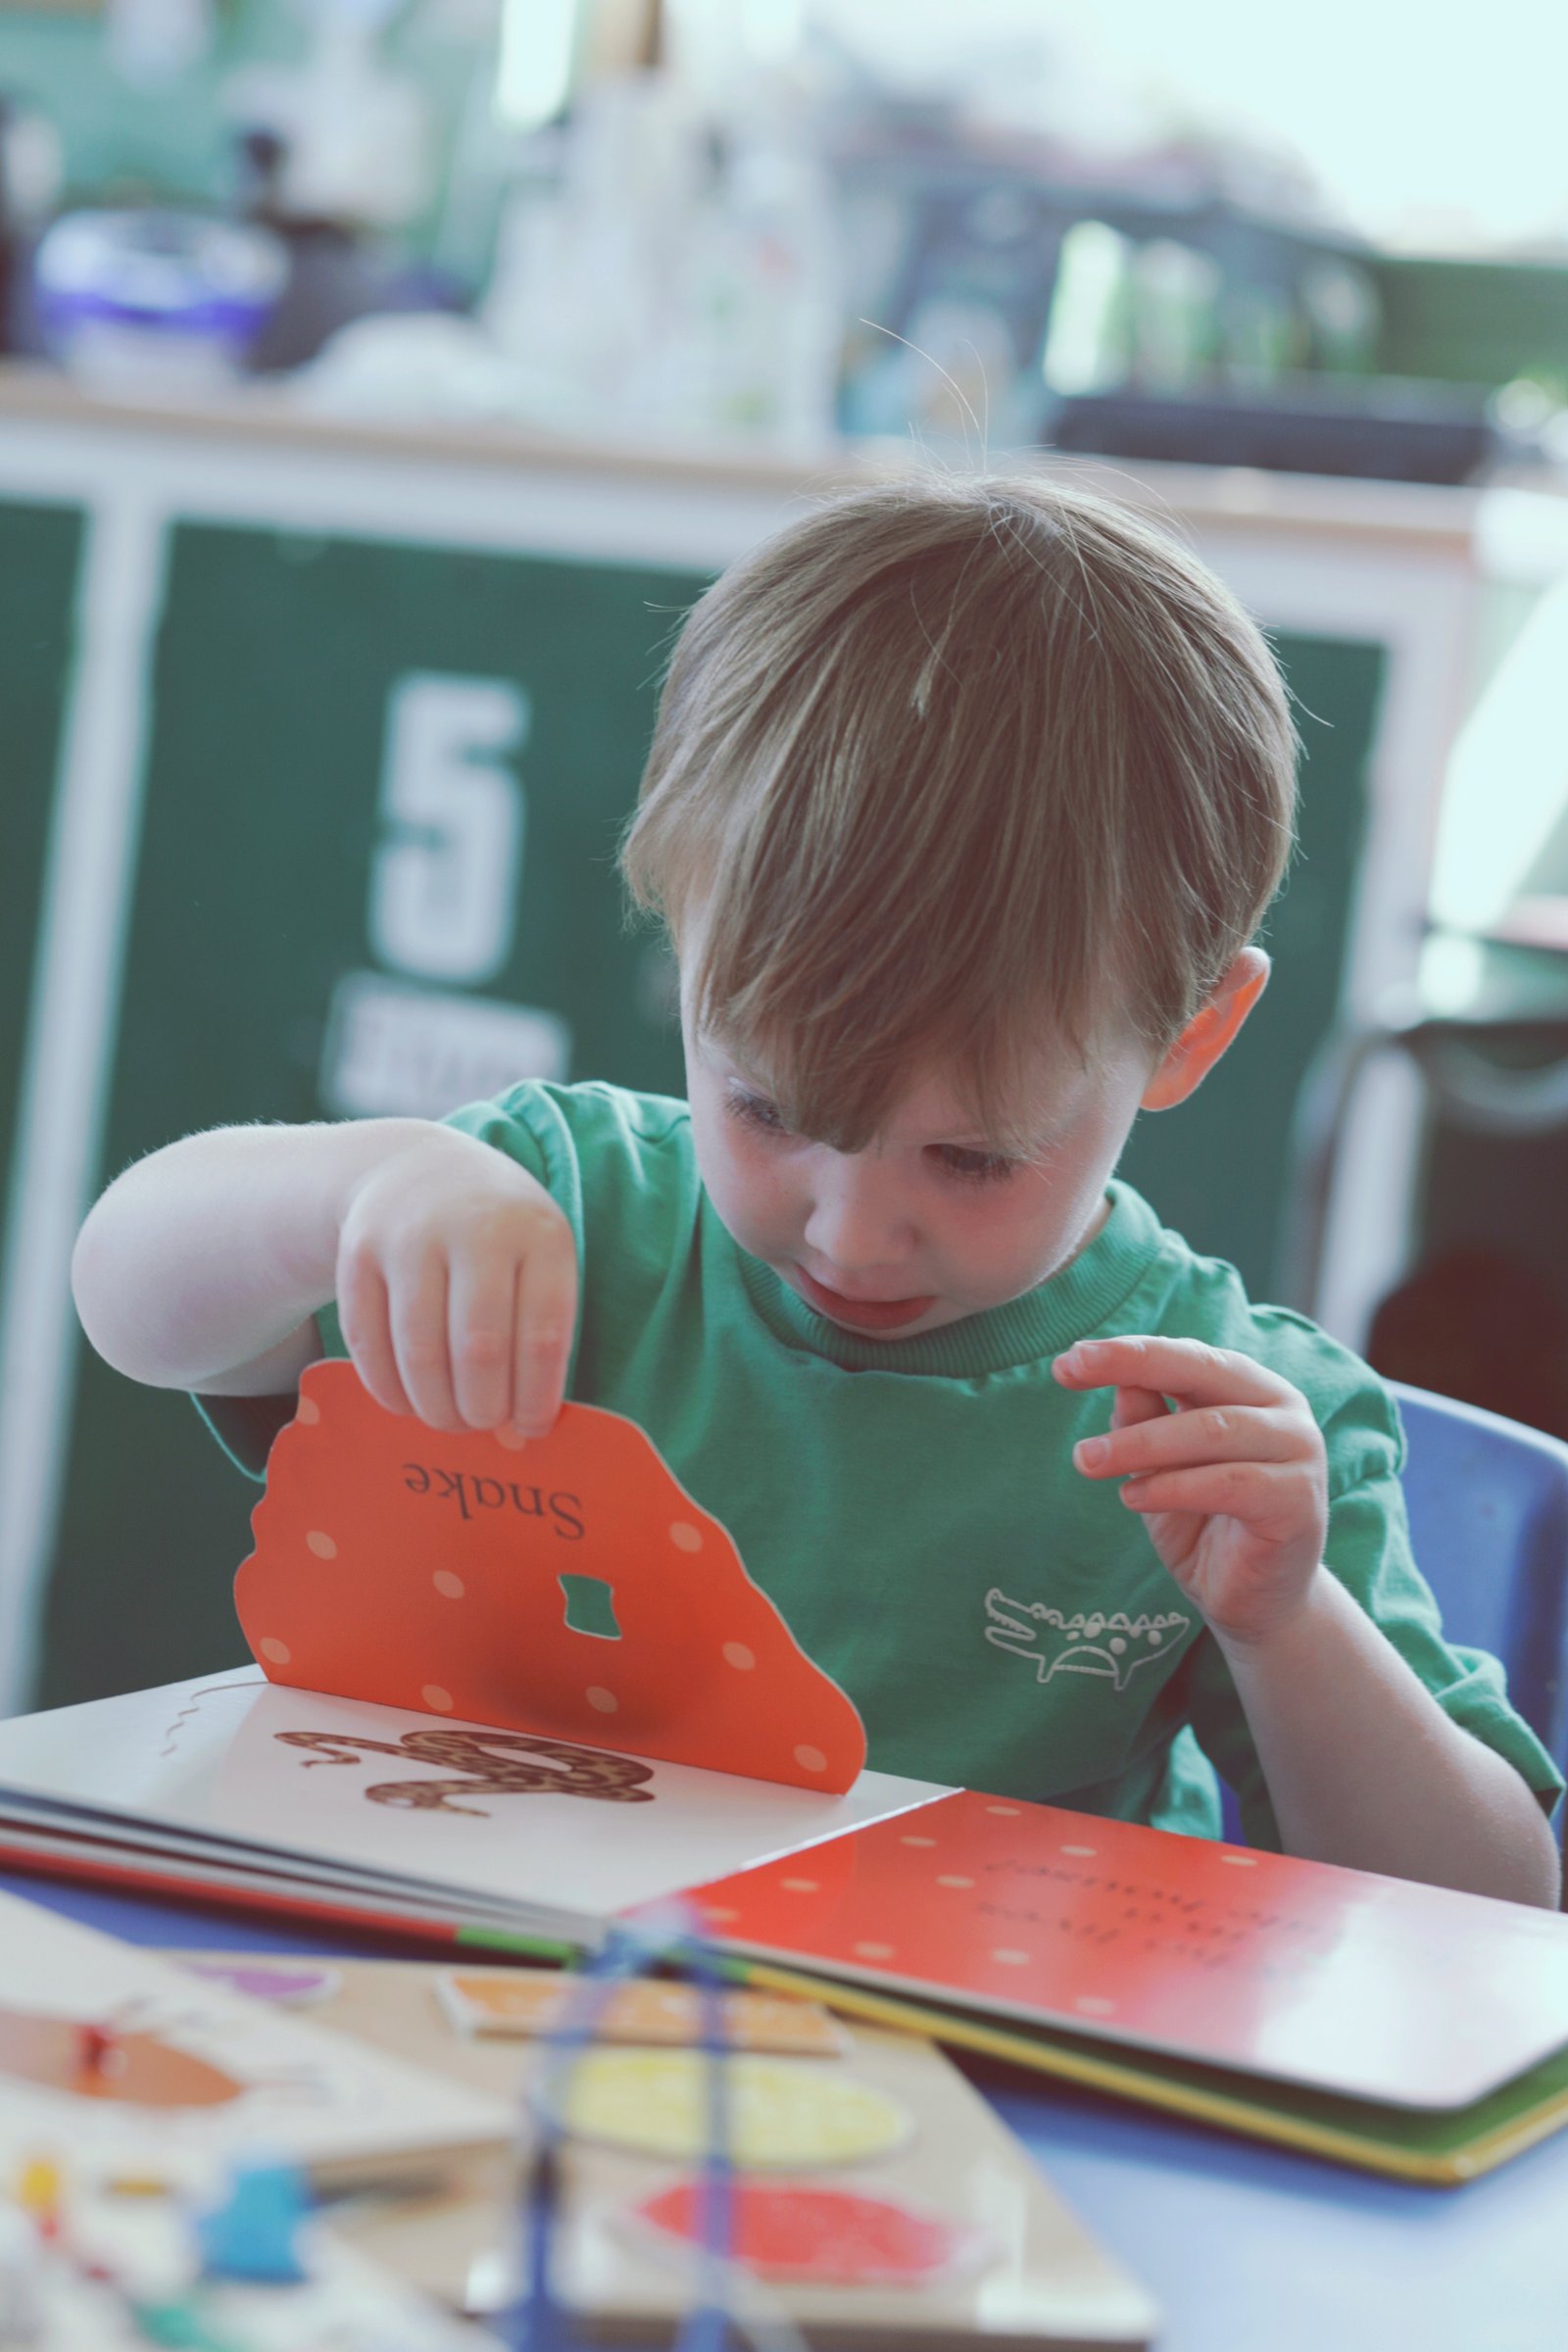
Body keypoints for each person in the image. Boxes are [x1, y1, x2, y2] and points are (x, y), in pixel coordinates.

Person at [72, 472, 1562, 1906]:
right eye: (768, 1107)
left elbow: (1490, 1911)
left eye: (973, 1157)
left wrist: (1288, 1622)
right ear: (684, 953)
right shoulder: (559, 1210)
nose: (851, 1228)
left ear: (1191, 1036)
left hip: (959, 2100)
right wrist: (356, 1184)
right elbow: (132, 1307)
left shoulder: (1214, 1424)